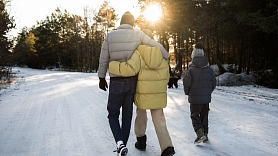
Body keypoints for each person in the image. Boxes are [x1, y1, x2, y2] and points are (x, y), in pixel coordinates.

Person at [98, 12, 169, 156]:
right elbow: (154, 44)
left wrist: (101, 77)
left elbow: (103, 57)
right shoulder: (137, 34)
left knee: (113, 114)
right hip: (132, 81)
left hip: (116, 81)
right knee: (127, 115)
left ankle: (120, 144)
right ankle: (122, 146)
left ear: (121, 22)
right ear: (132, 23)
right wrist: (165, 54)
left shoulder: (110, 36)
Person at [108, 29, 175, 156]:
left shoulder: (139, 52)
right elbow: (167, 75)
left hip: (142, 91)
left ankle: (141, 141)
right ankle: (167, 147)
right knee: (159, 118)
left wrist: (111, 65)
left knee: (141, 115)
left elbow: (130, 69)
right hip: (158, 92)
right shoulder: (161, 52)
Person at [182, 42, 216, 144]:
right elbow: (213, 82)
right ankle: (205, 134)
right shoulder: (208, 69)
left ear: (193, 55)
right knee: (204, 115)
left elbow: (186, 83)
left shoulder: (191, 69)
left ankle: (200, 134)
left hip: (195, 98)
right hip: (206, 98)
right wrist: (207, 92)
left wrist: (188, 93)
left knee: (195, 115)